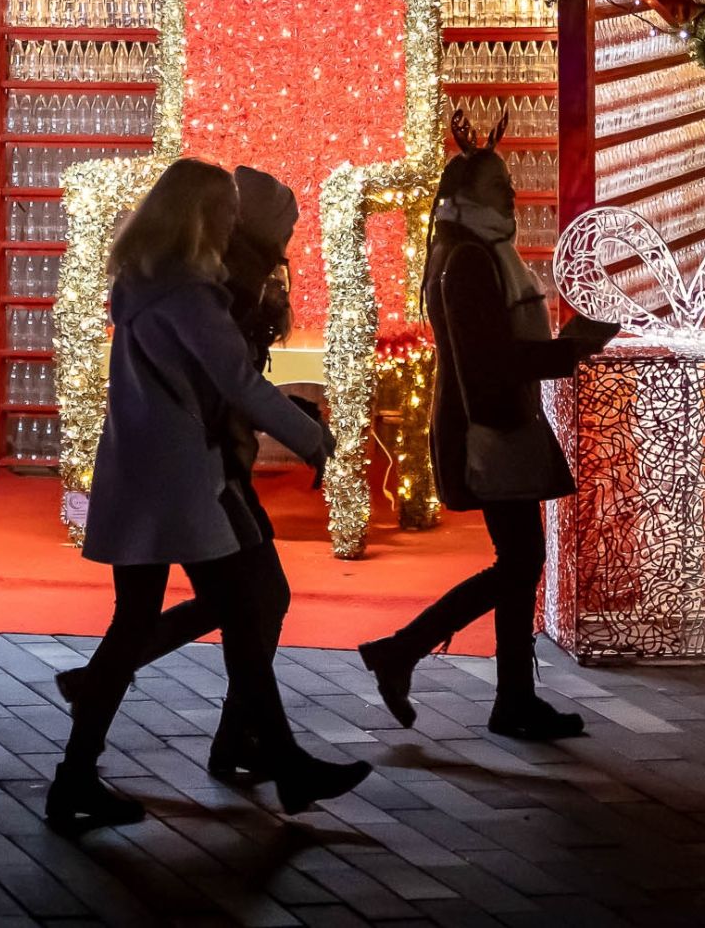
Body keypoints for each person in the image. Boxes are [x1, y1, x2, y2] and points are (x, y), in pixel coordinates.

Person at [48, 158, 369, 832]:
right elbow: (240, 387)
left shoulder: (144, 286)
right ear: (198, 217)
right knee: (241, 615)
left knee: (139, 622)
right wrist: (312, 436)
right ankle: (282, 763)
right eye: (221, 213)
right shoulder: (192, 299)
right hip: (181, 483)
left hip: (139, 473)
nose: (230, 224)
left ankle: (77, 775)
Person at [357, 114, 618, 741]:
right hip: (490, 425)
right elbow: (489, 358)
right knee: (519, 561)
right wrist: (569, 351)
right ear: (474, 194)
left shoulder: (468, 249)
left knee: (519, 560)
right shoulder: (473, 258)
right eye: (500, 185)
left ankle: (501, 691)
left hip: (495, 420)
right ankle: (417, 655)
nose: (512, 194)